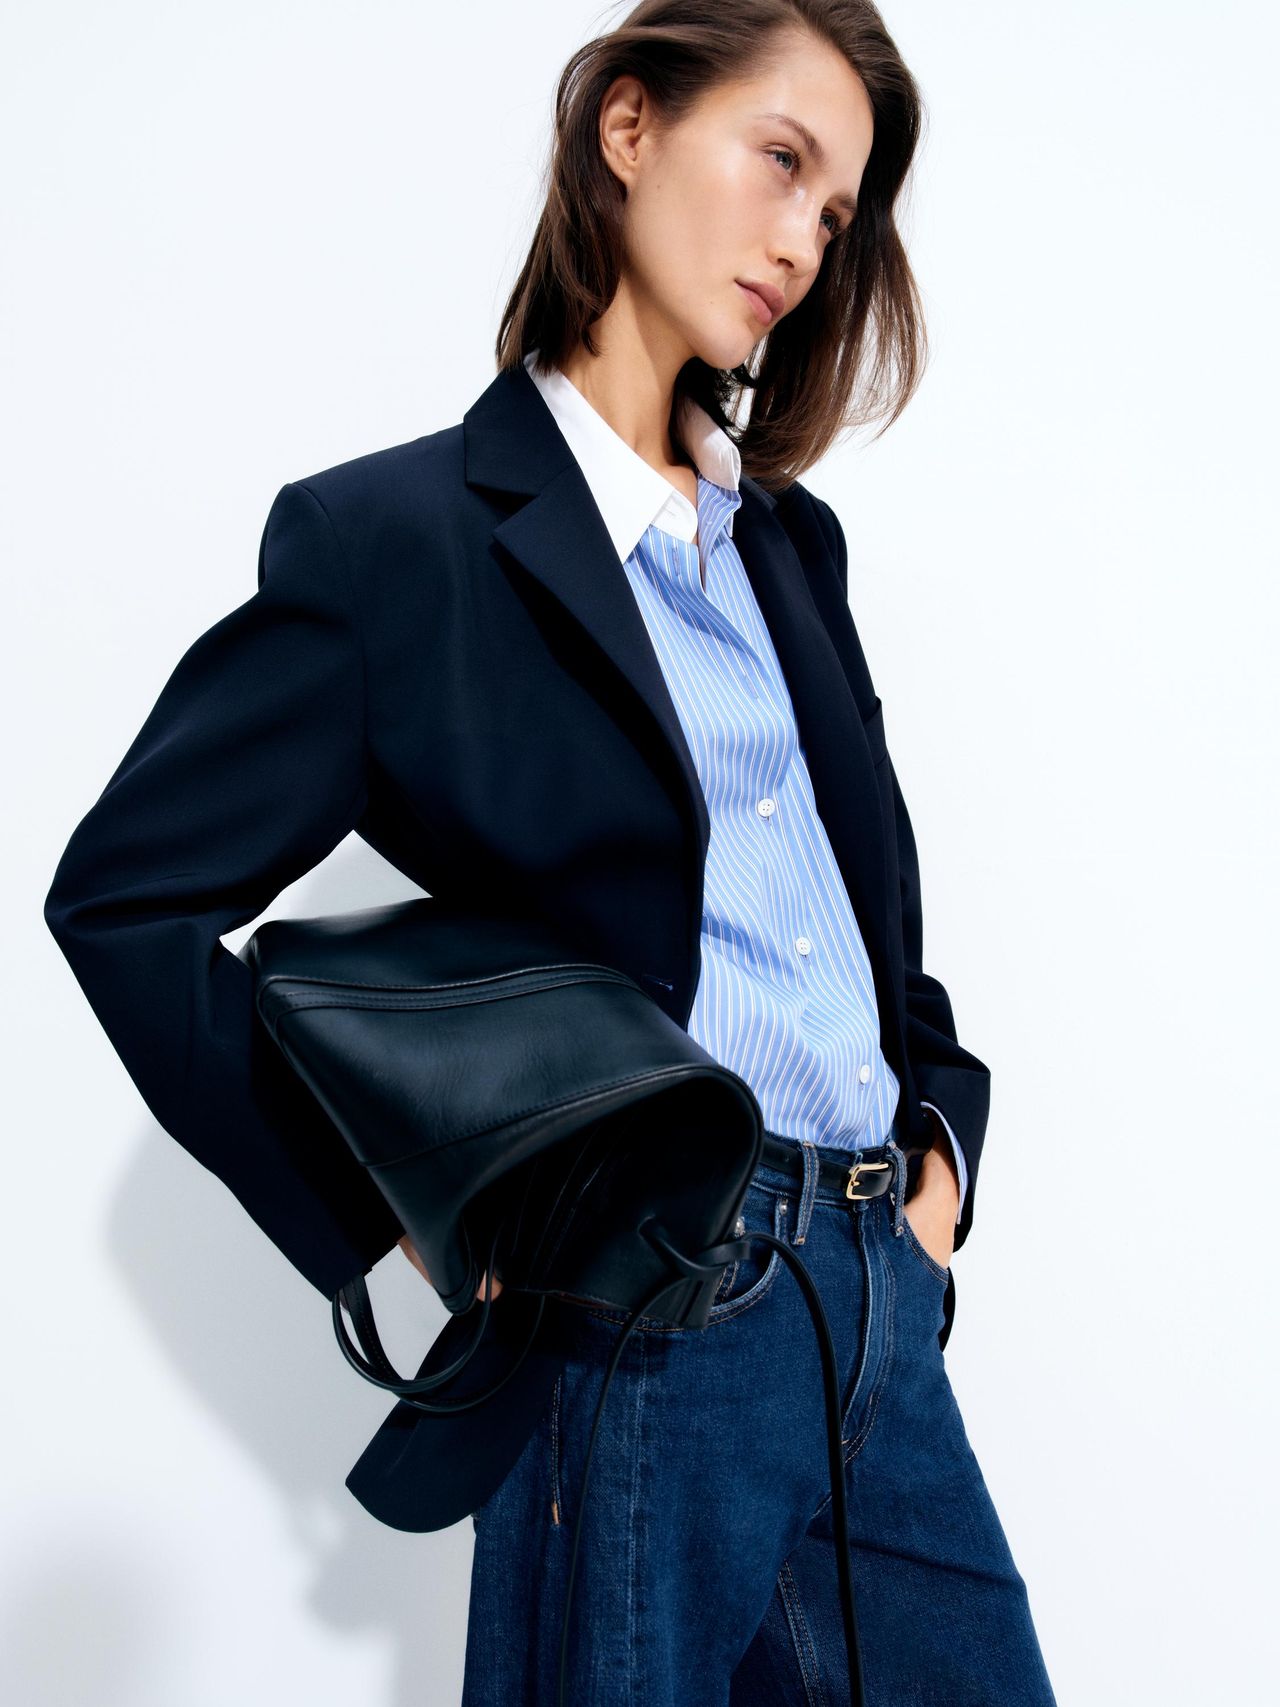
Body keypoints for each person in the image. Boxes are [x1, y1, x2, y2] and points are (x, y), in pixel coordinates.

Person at [44, 1, 1058, 1701]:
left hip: (879, 1307)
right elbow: (124, 901)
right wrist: (404, 1221)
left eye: (839, 210)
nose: (808, 240)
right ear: (633, 128)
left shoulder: (790, 553)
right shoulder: (400, 544)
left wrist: (939, 1141)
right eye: (784, 161)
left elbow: (859, 928)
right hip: (654, 1314)